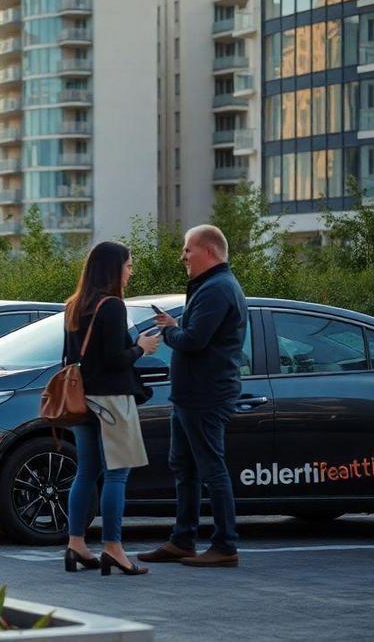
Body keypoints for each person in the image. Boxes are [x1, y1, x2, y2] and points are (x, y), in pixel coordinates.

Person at [139, 225, 248, 569]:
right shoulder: (211, 287)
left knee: (211, 468)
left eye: (188, 249)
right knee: (184, 467)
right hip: (190, 396)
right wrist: (175, 325)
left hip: (205, 396)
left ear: (210, 252)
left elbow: (194, 341)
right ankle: (182, 539)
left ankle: (225, 544)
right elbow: (194, 334)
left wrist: (171, 330)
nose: (183, 256)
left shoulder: (218, 289)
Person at [62, 242, 161, 577]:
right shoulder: (114, 307)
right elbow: (113, 360)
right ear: (113, 269)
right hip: (113, 400)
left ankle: (76, 543)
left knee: (86, 472)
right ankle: (113, 548)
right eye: (128, 266)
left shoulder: (74, 306)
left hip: (81, 400)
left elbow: (70, 359)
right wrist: (141, 348)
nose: (131, 272)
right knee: (117, 473)